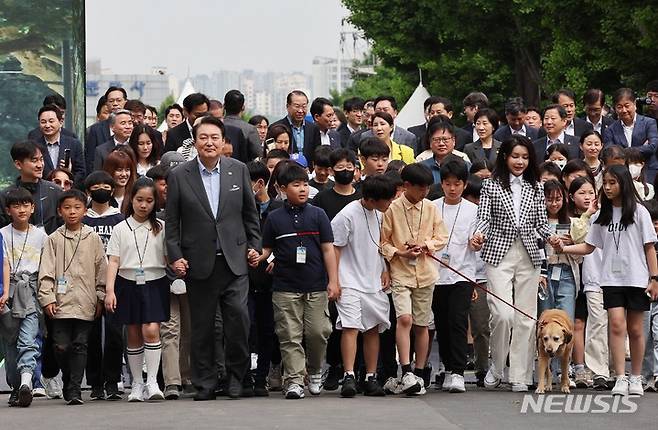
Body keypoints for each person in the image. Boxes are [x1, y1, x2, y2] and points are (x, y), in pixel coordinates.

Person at [165, 115, 261, 400]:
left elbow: (250, 214)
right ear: (195, 142)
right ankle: (205, 382)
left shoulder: (238, 170)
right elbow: (172, 222)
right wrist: (176, 256)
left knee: (239, 321)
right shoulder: (180, 175)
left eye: (215, 138)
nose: (209, 142)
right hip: (199, 262)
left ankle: (236, 377)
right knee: (203, 328)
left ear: (223, 142)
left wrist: (254, 245)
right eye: (204, 137)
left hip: (235, 261)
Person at [557, 165, 658, 396]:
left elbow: (650, 248)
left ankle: (636, 376)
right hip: (611, 279)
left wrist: (654, 278)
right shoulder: (601, 214)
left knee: (635, 329)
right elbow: (589, 246)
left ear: (624, 183)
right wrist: (565, 246)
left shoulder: (639, 213)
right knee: (616, 325)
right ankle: (620, 377)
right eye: (606, 183)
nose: (609, 187)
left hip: (637, 278)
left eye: (613, 182)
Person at [471, 135, 559, 392]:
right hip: (499, 252)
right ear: (505, 157)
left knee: (526, 317)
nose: (519, 161)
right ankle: (497, 367)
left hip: (530, 254)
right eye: (515, 156)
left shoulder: (537, 187)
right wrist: (478, 235)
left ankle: (520, 374)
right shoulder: (491, 185)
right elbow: (483, 218)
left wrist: (551, 236)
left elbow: (541, 223)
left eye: (525, 157)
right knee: (502, 314)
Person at [254, 163, 338, 399]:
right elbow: (267, 248)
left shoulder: (318, 214)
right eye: (296, 185)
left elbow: (328, 250)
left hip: (316, 285)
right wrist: (257, 256)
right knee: (289, 335)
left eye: (304, 184)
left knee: (318, 331)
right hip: (285, 287)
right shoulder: (274, 217)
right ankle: (293, 380)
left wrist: (334, 281)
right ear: (282, 188)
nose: (302, 189)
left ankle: (314, 371)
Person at [380, 163, 448, 395]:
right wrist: (400, 252)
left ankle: (419, 372)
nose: (425, 193)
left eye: (428, 188)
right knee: (405, 319)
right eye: (420, 189)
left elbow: (442, 236)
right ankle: (406, 368)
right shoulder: (392, 209)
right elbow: (383, 242)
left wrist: (426, 246)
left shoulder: (431, 208)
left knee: (422, 324)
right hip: (400, 272)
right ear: (406, 186)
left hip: (426, 272)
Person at [38, 189, 108, 405]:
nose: (72, 212)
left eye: (77, 207)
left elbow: (101, 269)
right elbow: (46, 271)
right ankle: (68, 379)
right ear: (60, 211)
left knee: (80, 344)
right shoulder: (53, 239)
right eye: (67, 208)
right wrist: (47, 298)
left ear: (85, 211)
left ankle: (75, 389)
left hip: (86, 301)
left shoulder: (93, 238)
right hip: (60, 302)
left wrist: (100, 296)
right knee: (60, 346)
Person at [105, 178, 169, 402]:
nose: (144, 205)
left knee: (151, 330)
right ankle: (137, 384)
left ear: (155, 202)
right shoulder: (120, 228)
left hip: (155, 280)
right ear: (131, 199)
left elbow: (169, 256)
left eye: (149, 201)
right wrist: (110, 291)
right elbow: (113, 261)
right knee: (132, 332)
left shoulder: (161, 227)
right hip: (127, 281)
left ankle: (152, 382)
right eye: (139, 200)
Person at [331, 175, 396, 398]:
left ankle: (370, 376)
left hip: (373, 280)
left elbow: (381, 245)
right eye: (387, 199)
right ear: (371, 198)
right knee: (350, 327)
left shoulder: (380, 214)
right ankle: (349, 375)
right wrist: (334, 280)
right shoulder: (347, 215)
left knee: (372, 328)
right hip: (348, 280)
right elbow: (335, 249)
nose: (390, 203)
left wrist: (385, 268)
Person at [432, 159, 479, 393]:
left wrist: (476, 242)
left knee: (458, 321)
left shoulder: (473, 210)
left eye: (457, 184)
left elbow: (477, 239)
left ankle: (459, 372)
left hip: (462, 273)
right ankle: (448, 367)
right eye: (448, 184)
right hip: (435, 274)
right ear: (442, 184)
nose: (452, 188)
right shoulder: (430, 207)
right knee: (442, 323)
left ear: (464, 184)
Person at [0, 187, 48, 407]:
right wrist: (3, 293)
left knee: (28, 338)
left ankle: (27, 382)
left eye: (25, 205)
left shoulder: (41, 235)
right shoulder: (2, 234)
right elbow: (4, 264)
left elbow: (47, 265)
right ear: (8, 210)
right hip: (8, 293)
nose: (21, 210)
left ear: (32, 208)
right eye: (16, 206)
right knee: (11, 344)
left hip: (31, 291)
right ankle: (16, 384)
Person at [82, 171, 125, 400]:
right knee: (91, 334)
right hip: (87, 284)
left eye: (106, 186)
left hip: (115, 284)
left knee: (115, 334)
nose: (102, 189)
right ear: (88, 191)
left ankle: (113, 380)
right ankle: (95, 382)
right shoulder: (83, 220)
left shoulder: (120, 220)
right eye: (96, 186)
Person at [244, 161, 282, 397]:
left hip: (271, 278)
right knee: (245, 328)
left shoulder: (278, 210)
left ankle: (262, 378)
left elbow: (286, 240)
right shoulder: (239, 210)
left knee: (268, 330)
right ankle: (245, 376)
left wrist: (276, 259)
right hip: (245, 277)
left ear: (259, 184)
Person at [461, 175, 490, 387]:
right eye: (473, 197)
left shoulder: (491, 218)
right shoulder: (459, 213)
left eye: (481, 198)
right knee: (454, 325)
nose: (477, 202)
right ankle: (451, 367)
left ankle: (482, 369)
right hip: (457, 276)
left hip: (483, 277)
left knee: (481, 326)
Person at [603, 87, 658, 184]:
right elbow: (611, 154)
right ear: (615, 109)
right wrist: (639, 149)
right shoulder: (610, 130)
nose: (624, 110)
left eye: (627, 106)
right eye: (619, 107)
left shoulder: (649, 123)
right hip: (621, 174)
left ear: (635, 105)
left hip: (648, 171)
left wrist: (623, 151)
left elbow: (652, 147)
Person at [36, 104, 85, 185]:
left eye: (51, 121)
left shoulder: (74, 144)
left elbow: (81, 172)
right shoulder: (35, 146)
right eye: (43, 122)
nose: (47, 125)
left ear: (61, 122)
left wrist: (68, 179)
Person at [86, 87, 128, 173]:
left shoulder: (131, 127)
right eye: (111, 101)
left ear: (125, 102)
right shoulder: (96, 129)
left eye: (118, 100)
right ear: (107, 104)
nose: (115, 104)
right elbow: (90, 160)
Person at [270, 90, 318, 161]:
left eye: (304, 106)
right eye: (297, 106)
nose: (301, 110)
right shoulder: (276, 127)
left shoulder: (313, 128)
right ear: (287, 106)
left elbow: (316, 153)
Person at [421, 118, 471, 184]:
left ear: (453, 141)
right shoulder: (422, 167)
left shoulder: (466, 165)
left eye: (445, 139)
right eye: (437, 139)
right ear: (430, 142)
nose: (441, 143)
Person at [223, 90, 262, 160]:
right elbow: (257, 154)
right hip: (242, 168)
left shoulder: (216, 127)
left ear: (224, 106)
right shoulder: (250, 129)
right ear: (243, 107)